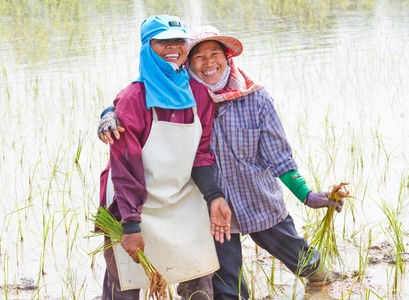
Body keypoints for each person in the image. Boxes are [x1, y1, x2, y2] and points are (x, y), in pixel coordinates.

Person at [98, 26, 344, 300]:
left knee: (302, 259)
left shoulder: (256, 98)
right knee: (228, 285)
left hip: (257, 200)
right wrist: (109, 112)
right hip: (212, 208)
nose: (208, 63)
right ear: (187, 64)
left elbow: (279, 157)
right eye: (198, 57)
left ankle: (323, 281)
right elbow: (139, 91)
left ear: (227, 58)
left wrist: (307, 195)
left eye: (214, 54)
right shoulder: (184, 96)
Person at [98, 17, 232, 300]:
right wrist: (131, 225)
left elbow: (200, 153)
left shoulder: (198, 94)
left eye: (179, 40)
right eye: (162, 41)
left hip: (180, 200)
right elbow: (125, 167)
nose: (173, 47)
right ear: (147, 47)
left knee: (199, 279)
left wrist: (214, 196)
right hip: (131, 203)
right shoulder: (134, 98)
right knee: (125, 283)